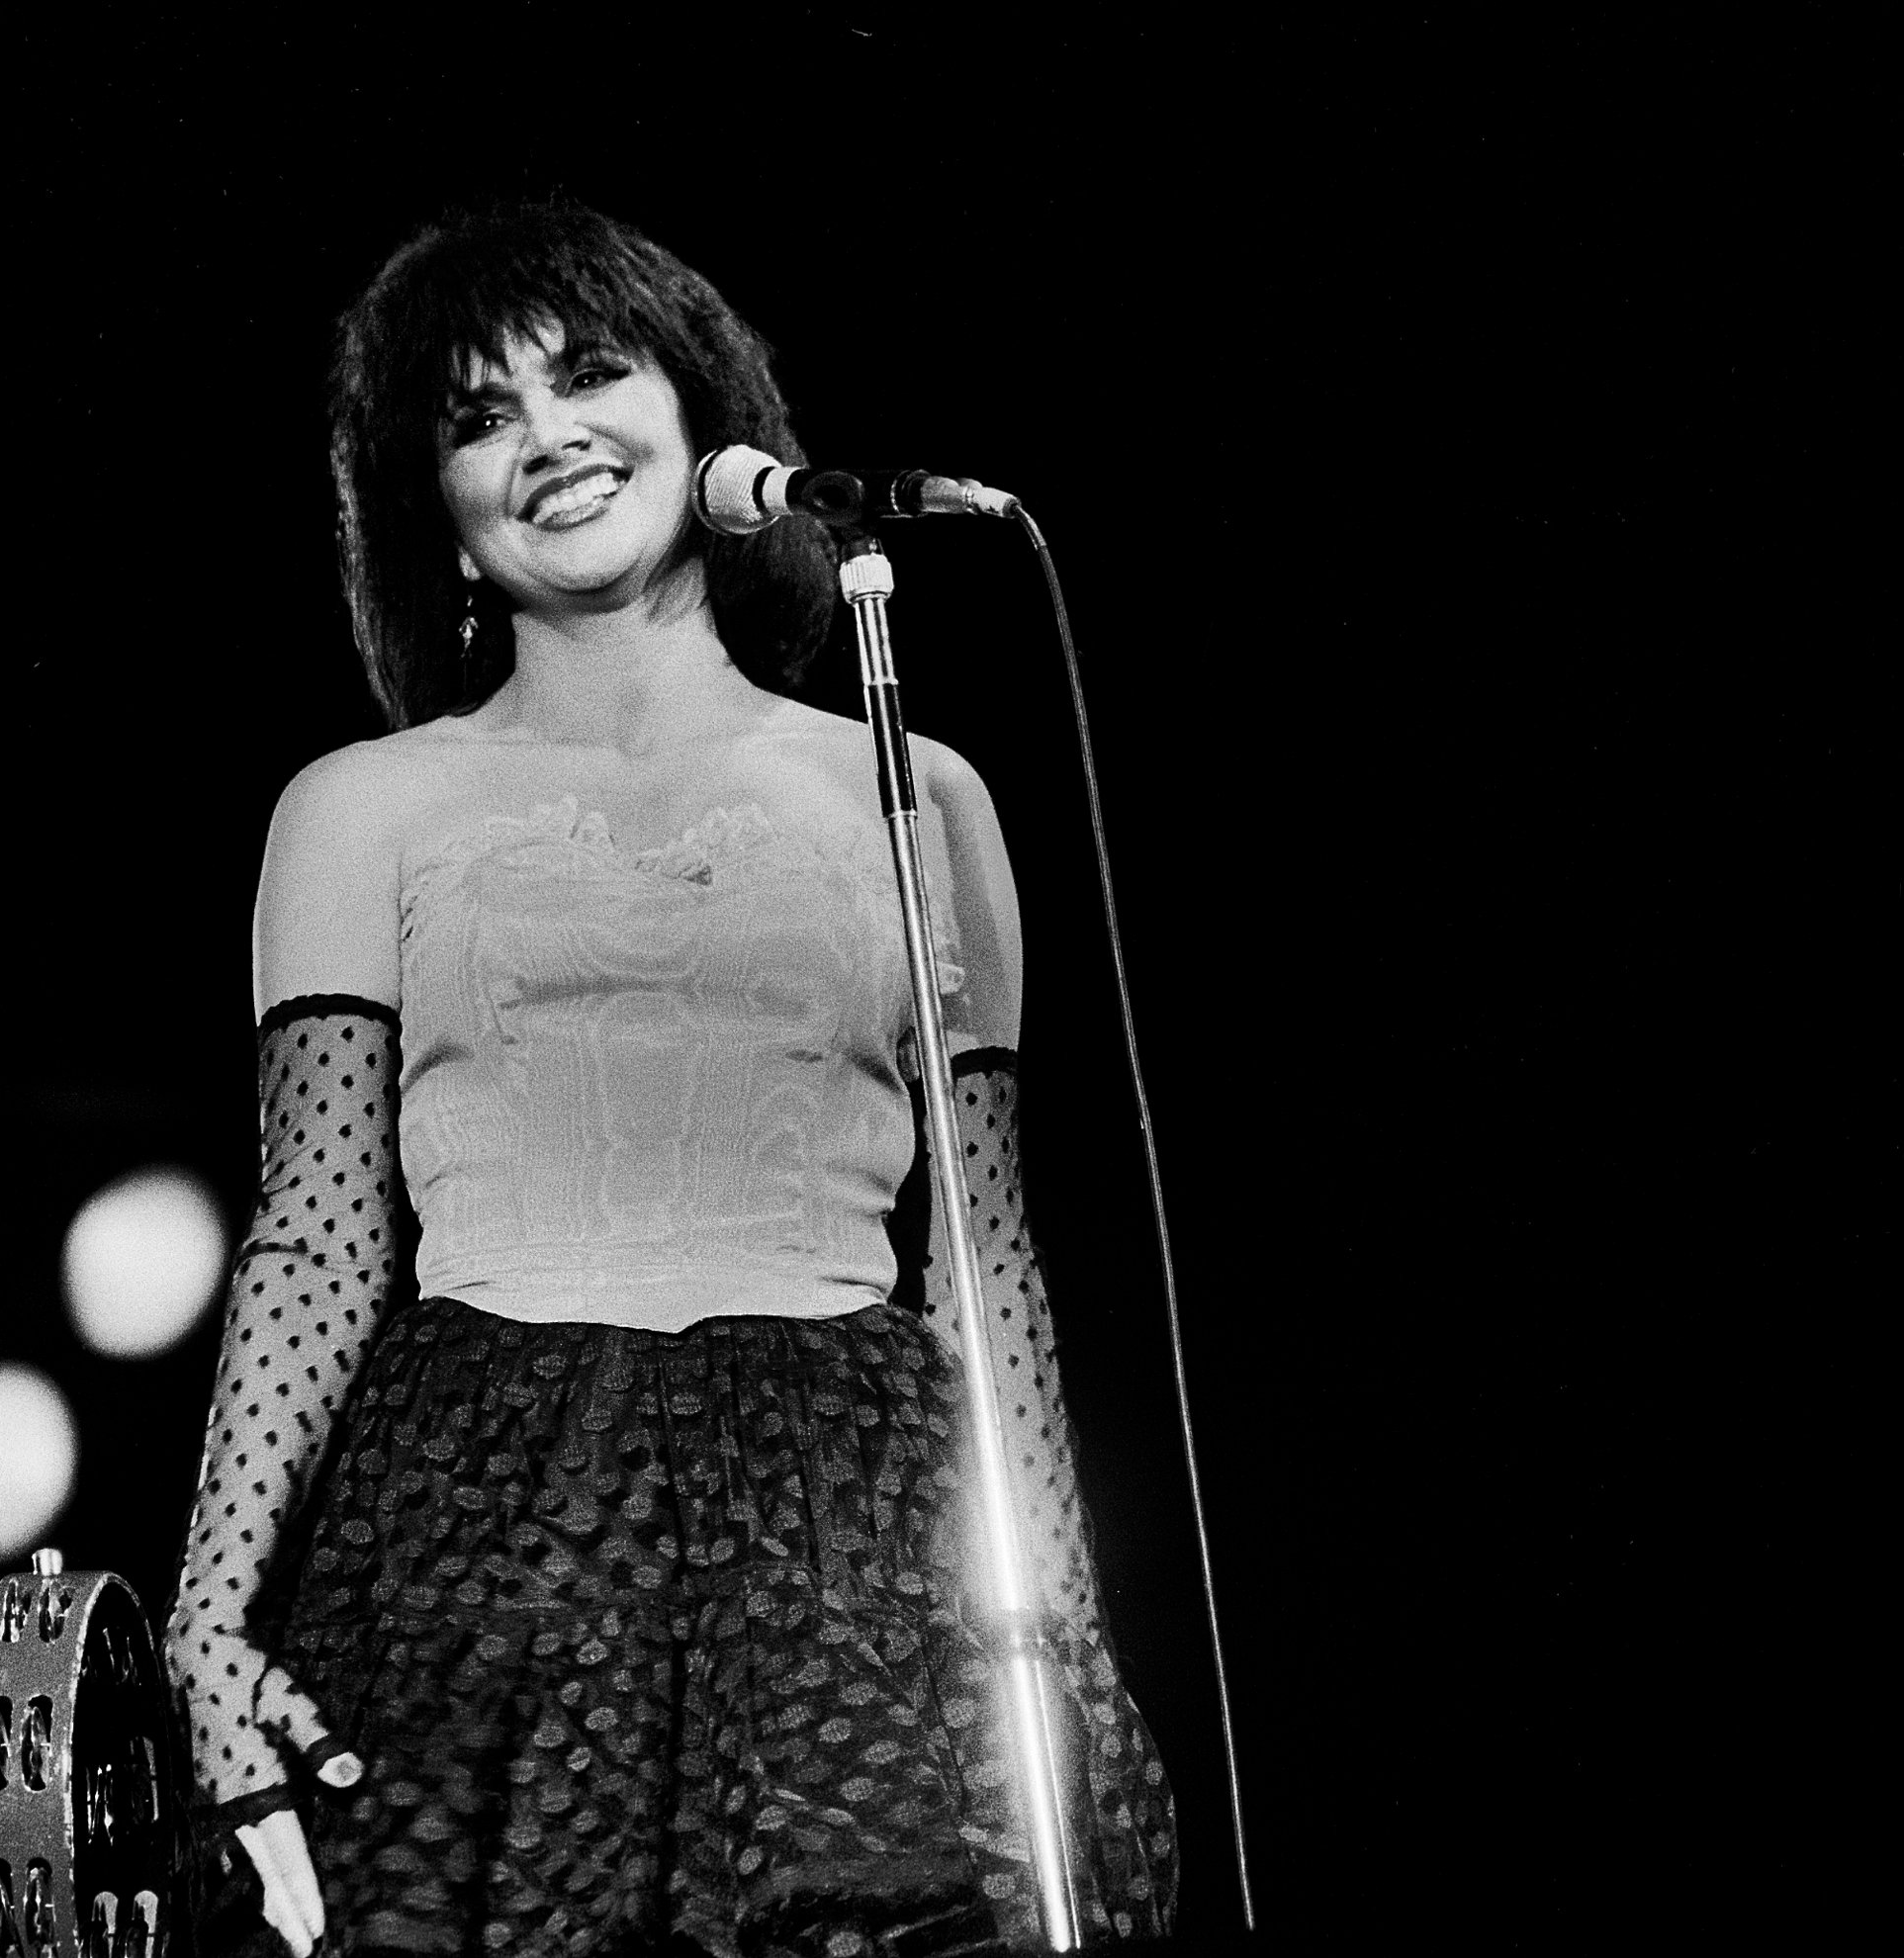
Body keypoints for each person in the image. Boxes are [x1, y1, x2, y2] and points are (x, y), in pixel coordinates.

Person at [164, 200, 1178, 1958]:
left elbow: (982, 1258)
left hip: (850, 1523)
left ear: (707, 424)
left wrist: (1058, 1625)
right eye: (478, 420)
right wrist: (208, 1614)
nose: (547, 437)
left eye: (587, 373)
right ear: (448, 530)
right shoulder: (361, 807)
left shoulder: (919, 792)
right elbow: (318, 1236)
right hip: (491, 1512)